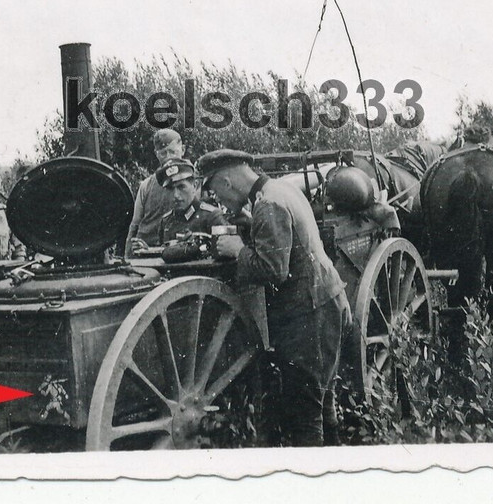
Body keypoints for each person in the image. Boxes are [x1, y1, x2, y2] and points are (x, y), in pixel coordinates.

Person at [196, 148, 351, 447]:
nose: (218, 201)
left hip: (308, 315)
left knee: (306, 412)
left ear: (226, 182)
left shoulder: (268, 206)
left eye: (215, 191)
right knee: (321, 400)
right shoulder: (279, 190)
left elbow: (273, 269)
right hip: (323, 302)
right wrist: (250, 222)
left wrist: (237, 251)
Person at [124, 128, 185, 257]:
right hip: (145, 251)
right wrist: (128, 256)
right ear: (156, 154)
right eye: (163, 153)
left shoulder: (194, 182)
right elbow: (135, 224)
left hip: (177, 251)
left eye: (173, 152)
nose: (169, 158)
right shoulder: (147, 185)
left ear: (182, 150)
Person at [155, 158, 228, 245]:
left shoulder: (212, 217)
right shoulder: (166, 222)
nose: (176, 195)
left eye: (181, 187)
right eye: (170, 189)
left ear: (195, 185)